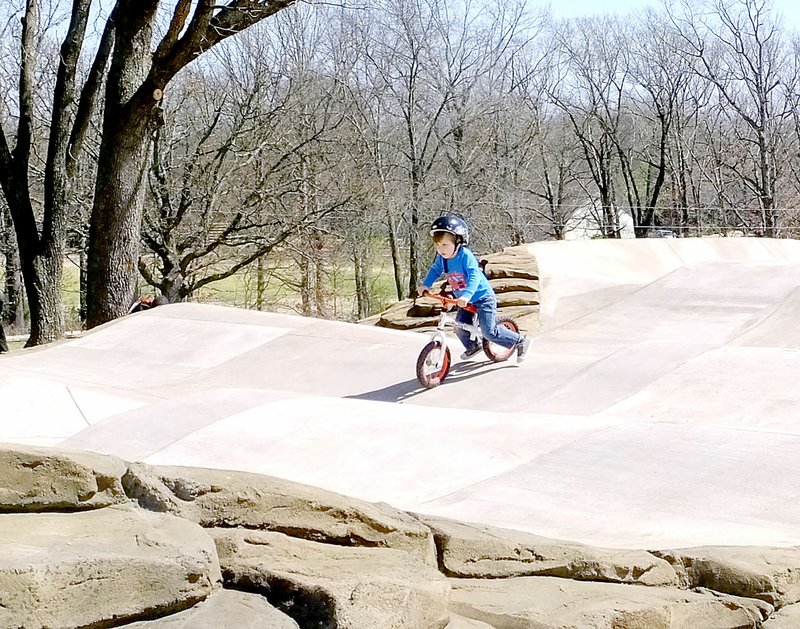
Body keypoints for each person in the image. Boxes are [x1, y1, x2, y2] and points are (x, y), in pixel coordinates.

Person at [417, 215, 531, 363]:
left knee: (489, 332)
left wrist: (467, 295)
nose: (440, 249)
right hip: (463, 299)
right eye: (437, 245)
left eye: (444, 245)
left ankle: (521, 340)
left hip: (482, 298)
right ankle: (473, 346)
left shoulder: (465, 256)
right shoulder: (442, 258)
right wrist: (426, 284)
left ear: (458, 241)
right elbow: (435, 270)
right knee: (459, 328)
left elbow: (474, 277)